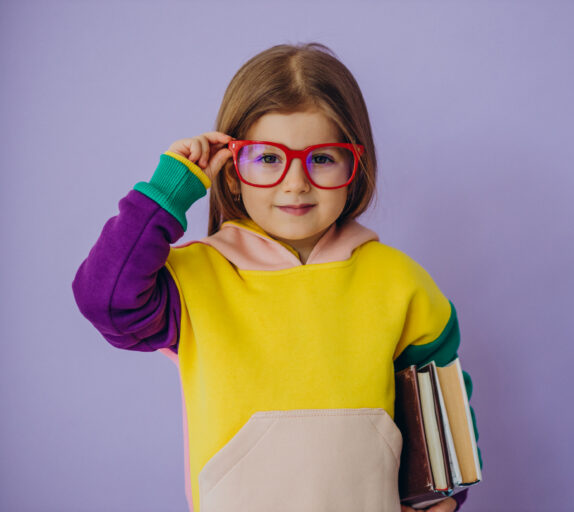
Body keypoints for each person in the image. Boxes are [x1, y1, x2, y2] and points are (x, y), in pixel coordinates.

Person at [72, 42, 482, 512]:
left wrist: (442, 501)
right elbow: (104, 300)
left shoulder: (400, 282)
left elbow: (441, 419)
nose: (295, 182)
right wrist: (172, 189)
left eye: (322, 158)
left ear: (355, 165)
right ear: (231, 173)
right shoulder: (197, 278)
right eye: (268, 158)